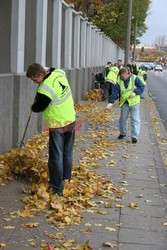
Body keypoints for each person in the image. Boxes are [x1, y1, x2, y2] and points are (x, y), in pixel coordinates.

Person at [26, 64, 76, 196]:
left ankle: (57, 189)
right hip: (70, 119)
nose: (34, 81)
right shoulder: (59, 73)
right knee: (67, 152)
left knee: (56, 157)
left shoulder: (45, 88)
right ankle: (66, 179)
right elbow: (54, 68)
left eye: (34, 79)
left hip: (57, 124)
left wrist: (32, 106)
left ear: (41, 75)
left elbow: (38, 107)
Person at [106, 67, 144, 143]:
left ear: (127, 73)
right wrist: (111, 102)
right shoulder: (119, 80)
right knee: (123, 119)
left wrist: (135, 92)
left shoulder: (135, 78)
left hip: (134, 102)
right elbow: (115, 92)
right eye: (120, 76)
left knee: (135, 119)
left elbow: (142, 87)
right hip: (124, 102)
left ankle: (134, 136)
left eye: (123, 76)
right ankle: (123, 133)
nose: (121, 78)